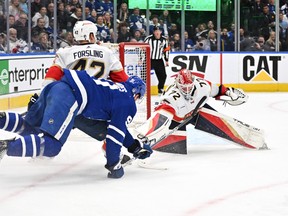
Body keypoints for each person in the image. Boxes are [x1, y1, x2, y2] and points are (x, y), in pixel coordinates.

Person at [0, 68, 152, 179]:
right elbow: (114, 135)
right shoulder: (128, 103)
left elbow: (116, 128)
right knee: (52, 146)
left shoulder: (116, 90)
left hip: (56, 86)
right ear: (136, 94)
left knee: (30, 126)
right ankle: (6, 146)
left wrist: (134, 147)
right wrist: (114, 165)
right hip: (70, 96)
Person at [134, 69, 249, 154]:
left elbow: (218, 90)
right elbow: (160, 117)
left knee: (223, 125)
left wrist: (230, 92)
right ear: (177, 84)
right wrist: (146, 135)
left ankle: (243, 137)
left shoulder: (202, 85)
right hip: (177, 121)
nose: (187, 90)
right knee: (176, 150)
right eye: (184, 87)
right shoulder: (171, 97)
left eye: (189, 86)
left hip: (197, 111)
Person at [144, 26, 170, 95]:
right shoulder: (148, 39)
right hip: (149, 59)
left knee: (163, 75)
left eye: (159, 31)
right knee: (144, 75)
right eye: (156, 31)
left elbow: (166, 50)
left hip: (159, 60)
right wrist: (141, 59)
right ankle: (142, 89)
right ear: (154, 32)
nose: (157, 33)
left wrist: (167, 60)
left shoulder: (164, 40)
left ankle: (160, 89)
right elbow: (142, 49)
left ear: (161, 32)